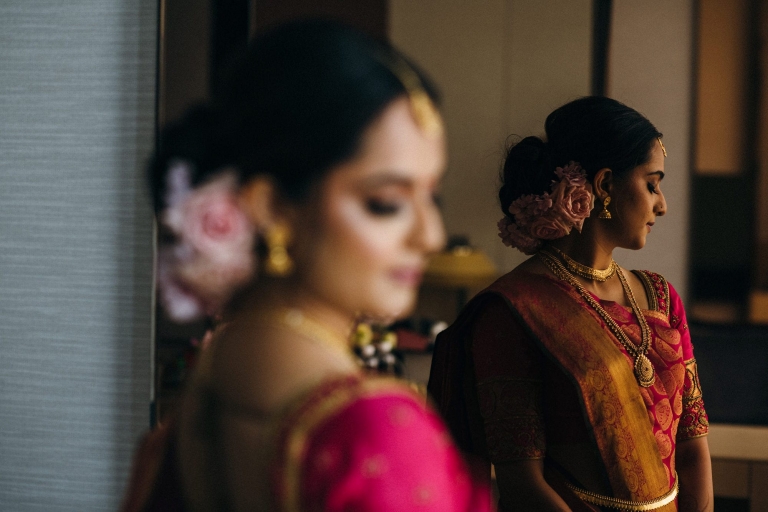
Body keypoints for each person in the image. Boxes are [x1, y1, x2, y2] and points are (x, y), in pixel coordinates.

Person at [121, 20, 491, 512]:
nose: (431, 236)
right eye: (385, 202)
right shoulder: (371, 432)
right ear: (273, 208)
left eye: (431, 197)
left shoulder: (213, 378)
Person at [428, 96, 713, 511]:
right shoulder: (514, 310)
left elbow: (693, 443)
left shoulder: (661, 297)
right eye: (651, 184)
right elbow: (523, 482)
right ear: (603, 186)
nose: (661, 204)